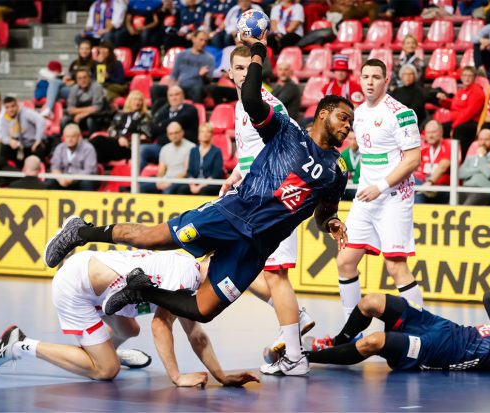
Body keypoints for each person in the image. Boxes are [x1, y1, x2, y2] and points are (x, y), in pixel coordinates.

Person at [43, 36, 351, 376]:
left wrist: (332, 222)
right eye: (343, 117)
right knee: (151, 238)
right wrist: (260, 51)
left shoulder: (337, 173)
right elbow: (251, 97)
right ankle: (80, 231)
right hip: (231, 214)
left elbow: (324, 213)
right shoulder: (288, 132)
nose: (348, 125)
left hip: (255, 248)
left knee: (202, 310)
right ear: (323, 113)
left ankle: (141, 289)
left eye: (351, 122)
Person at [0, 248, 259, 387]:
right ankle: (19, 344)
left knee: (130, 330)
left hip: (95, 279)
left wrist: (221, 376)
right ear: (214, 265)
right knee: (107, 371)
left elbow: (195, 334)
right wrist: (177, 377)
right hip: (76, 288)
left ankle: (103, 349)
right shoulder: (187, 278)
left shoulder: (193, 274)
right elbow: (160, 325)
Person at [219, 45, 316, 375]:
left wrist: (278, 195)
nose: (244, 73)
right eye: (238, 67)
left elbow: (292, 146)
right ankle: (295, 318)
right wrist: (236, 174)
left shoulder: (269, 104)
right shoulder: (239, 104)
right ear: (229, 73)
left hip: (272, 199)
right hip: (249, 196)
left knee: (275, 275)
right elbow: (251, 150)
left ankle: (295, 356)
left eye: (250, 67)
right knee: (235, 264)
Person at [305, 281, 490, 375]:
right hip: (442, 326)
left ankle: (304, 358)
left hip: (445, 352)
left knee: (374, 342)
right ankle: (336, 341)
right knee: (371, 302)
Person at [336, 58, 423, 339]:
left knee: (395, 266)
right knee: (345, 261)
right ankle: (351, 333)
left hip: (394, 198)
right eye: (366, 77)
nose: (370, 81)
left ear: (386, 81)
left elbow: (413, 159)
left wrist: (382, 186)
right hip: (366, 197)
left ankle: (421, 332)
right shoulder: (358, 114)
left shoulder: (401, 113)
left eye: (376, 77)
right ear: (359, 80)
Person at [437, 66, 485, 158]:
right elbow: (453, 106)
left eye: (470, 76)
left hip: (471, 123)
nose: (467, 78)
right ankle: (442, 158)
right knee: (440, 128)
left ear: (474, 78)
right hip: (458, 122)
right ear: (461, 77)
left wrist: (454, 126)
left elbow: (469, 113)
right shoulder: (461, 90)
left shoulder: (477, 91)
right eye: (464, 75)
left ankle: (459, 159)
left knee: (459, 130)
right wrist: (444, 100)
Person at [93, 90, 153, 164]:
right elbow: (111, 130)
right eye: (134, 99)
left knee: (98, 140)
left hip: (130, 146)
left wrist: (127, 140)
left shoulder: (145, 117)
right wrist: (119, 138)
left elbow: (146, 136)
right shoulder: (120, 114)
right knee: (98, 152)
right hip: (116, 142)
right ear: (129, 101)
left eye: (140, 100)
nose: (137, 102)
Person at [41, 40, 96, 119]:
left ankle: (50, 110)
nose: (84, 51)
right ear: (79, 50)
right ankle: (49, 110)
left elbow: (94, 81)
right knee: (54, 83)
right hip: (72, 89)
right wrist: (66, 79)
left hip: (85, 91)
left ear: (91, 50)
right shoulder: (74, 63)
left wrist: (74, 83)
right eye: (82, 48)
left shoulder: (95, 64)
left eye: (87, 48)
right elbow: (69, 75)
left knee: (55, 91)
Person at [141, 121, 195, 194]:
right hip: (167, 179)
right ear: (167, 135)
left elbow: (185, 172)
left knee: (168, 190)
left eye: (176, 132)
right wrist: (159, 181)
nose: (174, 136)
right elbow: (161, 170)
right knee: (142, 187)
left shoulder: (191, 147)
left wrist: (170, 182)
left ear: (182, 132)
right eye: (171, 134)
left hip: (182, 180)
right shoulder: (165, 148)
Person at [458, 128, 490, 205]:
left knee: (466, 207)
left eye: (486, 139)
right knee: (448, 205)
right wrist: (481, 169)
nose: (483, 142)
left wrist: (481, 157)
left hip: (484, 191)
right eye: (480, 139)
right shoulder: (471, 158)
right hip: (465, 189)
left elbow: (489, 174)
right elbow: (460, 174)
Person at [0, 96, 46, 169]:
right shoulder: (4, 119)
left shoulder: (25, 112)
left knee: (39, 149)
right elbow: (4, 137)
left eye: (12, 106)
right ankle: (10, 173)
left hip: (31, 144)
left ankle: (40, 172)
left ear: (17, 105)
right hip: (18, 145)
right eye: (7, 107)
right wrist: (10, 141)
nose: (10, 110)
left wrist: (38, 140)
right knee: (4, 148)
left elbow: (41, 121)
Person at [167, 30, 215, 103]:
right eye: (201, 40)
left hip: (196, 88)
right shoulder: (182, 55)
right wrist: (171, 89)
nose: (203, 43)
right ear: (193, 39)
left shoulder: (209, 59)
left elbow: (209, 82)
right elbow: (173, 76)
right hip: (181, 87)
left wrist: (203, 76)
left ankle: (195, 112)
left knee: (197, 89)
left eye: (205, 41)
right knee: (156, 89)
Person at [48, 124, 99, 191]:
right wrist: (60, 179)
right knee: (50, 181)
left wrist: (72, 178)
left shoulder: (88, 148)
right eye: (67, 137)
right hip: (64, 178)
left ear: (79, 136)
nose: (69, 139)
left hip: (80, 178)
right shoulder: (59, 148)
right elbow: (55, 168)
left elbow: (89, 170)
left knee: (87, 182)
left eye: (72, 137)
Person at [177, 123, 224, 196]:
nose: (205, 134)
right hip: (195, 182)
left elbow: (216, 174)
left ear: (211, 135)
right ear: (199, 135)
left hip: (211, 183)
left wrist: (199, 187)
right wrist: (192, 185)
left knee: (204, 191)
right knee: (182, 189)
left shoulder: (217, 151)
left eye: (208, 132)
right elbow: (189, 172)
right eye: (202, 131)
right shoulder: (193, 150)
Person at [414, 120, 452, 204]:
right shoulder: (424, 149)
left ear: (441, 132)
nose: (430, 135)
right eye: (428, 132)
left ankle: (418, 216)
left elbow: (443, 167)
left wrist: (430, 182)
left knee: (418, 191)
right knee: (413, 185)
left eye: (433, 132)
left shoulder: (449, 145)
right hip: (424, 185)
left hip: (442, 188)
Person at [61, 68, 107, 134]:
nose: (82, 80)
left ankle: (92, 141)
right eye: (79, 78)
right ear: (76, 80)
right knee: (64, 120)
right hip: (78, 117)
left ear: (89, 78)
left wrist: (82, 114)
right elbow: (70, 109)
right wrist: (82, 113)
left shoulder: (97, 87)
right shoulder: (74, 88)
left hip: (96, 116)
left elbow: (97, 108)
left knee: (90, 121)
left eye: (85, 77)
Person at [340, 131, 360, 200]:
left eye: (355, 139)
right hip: (347, 188)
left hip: (360, 188)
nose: (353, 142)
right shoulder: (344, 154)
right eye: (350, 139)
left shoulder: (365, 154)